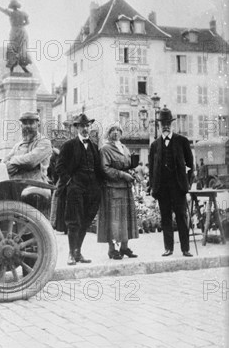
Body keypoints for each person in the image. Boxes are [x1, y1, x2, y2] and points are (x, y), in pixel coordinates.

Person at [55, 113, 103, 265]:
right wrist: (70, 182)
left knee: (86, 221)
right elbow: (60, 167)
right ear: (77, 128)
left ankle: (78, 252)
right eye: (82, 126)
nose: (86, 129)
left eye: (88, 126)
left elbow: (99, 169)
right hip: (75, 188)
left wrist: (99, 186)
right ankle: (70, 253)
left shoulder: (94, 147)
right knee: (74, 221)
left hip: (92, 190)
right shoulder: (69, 145)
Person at [149, 107, 194, 257]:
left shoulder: (182, 141)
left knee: (181, 217)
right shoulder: (154, 145)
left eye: (168, 122)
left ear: (171, 124)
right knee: (166, 218)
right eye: (163, 123)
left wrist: (187, 185)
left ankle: (185, 249)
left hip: (178, 187)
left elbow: (190, 165)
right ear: (159, 125)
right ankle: (168, 248)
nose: (166, 125)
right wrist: (153, 188)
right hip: (162, 189)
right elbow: (151, 170)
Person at [97, 124, 139, 260]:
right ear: (108, 133)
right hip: (112, 188)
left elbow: (128, 165)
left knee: (126, 218)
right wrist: (122, 175)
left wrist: (133, 173)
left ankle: (124, 247)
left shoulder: (124, 148)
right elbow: (105, 168)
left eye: (117, 130)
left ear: (121, 133)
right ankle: (112, 249)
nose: (115, 133)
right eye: (112, 130)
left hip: (126, 189)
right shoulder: (105, 149)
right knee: (113, 219)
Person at [3, 111, 52, 182]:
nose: (28, 126)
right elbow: (4, 163)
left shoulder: (44, 142)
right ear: (21, 126)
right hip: (16, 184)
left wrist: (12, 161)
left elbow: (30, 161)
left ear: (38, 124)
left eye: (31, 123)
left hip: (36, 185)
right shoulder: (18, 145)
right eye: (25, 123)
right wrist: (18, 164)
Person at [0, 0, 32, 74]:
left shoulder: (11, 13)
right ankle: (23, 67)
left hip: (14, 32)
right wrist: (21, 25)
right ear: (17, 6)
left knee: (13, 48)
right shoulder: (23, 13)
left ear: (12, 7)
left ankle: (12, 68)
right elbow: (28, 22)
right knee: (22, 49)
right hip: (22, 31)